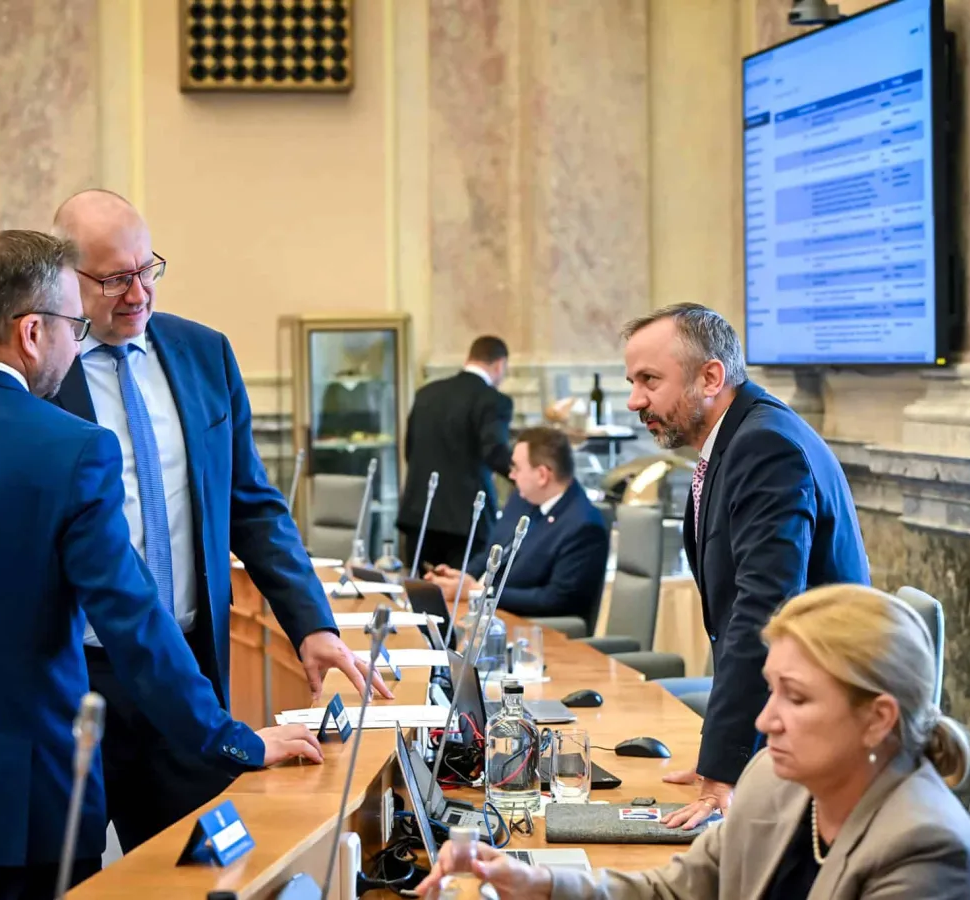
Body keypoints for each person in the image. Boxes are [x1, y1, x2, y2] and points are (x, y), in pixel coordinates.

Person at [0, 231, 322, 900]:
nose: (77, 348)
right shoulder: (71, 451)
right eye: (75, 328)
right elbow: (134, 625)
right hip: (26, 816)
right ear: (33, 332)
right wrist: (232, 740)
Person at [48, 189, 388, 853]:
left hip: (187, 669)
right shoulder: (41, 370)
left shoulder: (204, 353)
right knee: (71, 872)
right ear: (67, 277)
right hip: (74, 675)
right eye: (115, 279)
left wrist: (311, 623)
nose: (139, 293)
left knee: (200, 868)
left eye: (148, 269)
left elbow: (251, 504)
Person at [418, 584, 970, 899]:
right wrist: (537, 883)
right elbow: (676, 890)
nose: (765, 720)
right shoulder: (773, 780)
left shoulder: (925, 847)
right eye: (771, 690)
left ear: (878, 718)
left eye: (796, 698)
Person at [622, 303, 869, 828]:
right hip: (787, 719)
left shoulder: (764, 445)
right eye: (632, 382)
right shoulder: (738, 438)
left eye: (649, 380)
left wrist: (723, 772)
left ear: (711, 378)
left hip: (822, 733)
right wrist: (717, 756)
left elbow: (763, 612)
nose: (634, 400)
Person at [426, 427, 608, 632]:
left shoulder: (583, 526)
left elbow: (555, 600)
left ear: (542, 475)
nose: (511, 475)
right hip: (486, 616)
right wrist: (461, 579)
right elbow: (491, 552)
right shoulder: (522, 500)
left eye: (517, 468)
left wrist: (480, 592)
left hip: (532, 630)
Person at [397, 336, 514, 572]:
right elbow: (494, 451)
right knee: (462, 590)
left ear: (469, 358)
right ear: (499, 365)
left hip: (420, 513)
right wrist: (523, 477)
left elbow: (410, 449)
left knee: (420, 590)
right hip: (467, 519)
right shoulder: (492, 400)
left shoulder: (426, 394)